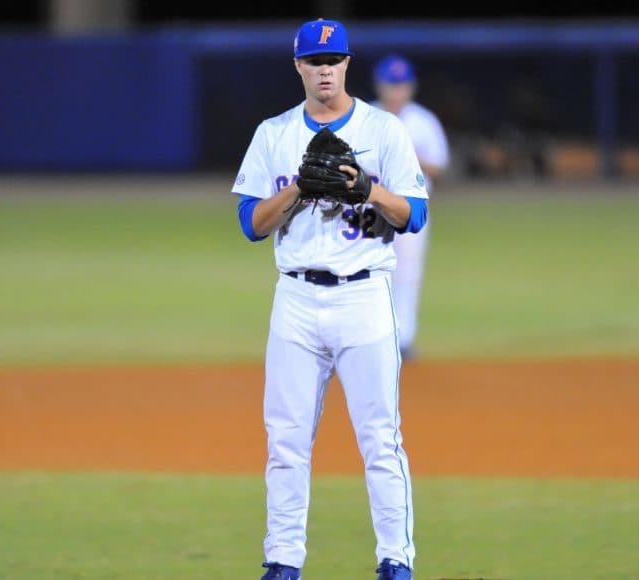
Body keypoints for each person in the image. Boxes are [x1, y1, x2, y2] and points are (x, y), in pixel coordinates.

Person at [232, 18, 428, 580]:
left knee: (380, 440)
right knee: (286, 441)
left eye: (334, 61)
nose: (325, 71)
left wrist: (366, 188)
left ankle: (396, 562)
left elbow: (414, 214)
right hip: (294, 302)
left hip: (364, 298)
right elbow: (250, 223)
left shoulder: (384, 130)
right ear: (298, 66)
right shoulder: (273, 134)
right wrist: (299, 187)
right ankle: (283, 562)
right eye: (314, 62)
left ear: (347, 65)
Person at [372, 54, 450, 360]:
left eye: (401, 85)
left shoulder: (423, 121)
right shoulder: (366, 117)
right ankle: (373, 339)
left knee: (407, 274)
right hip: (372, 211)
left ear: (411, 87)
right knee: (370, 273)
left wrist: (407, 157)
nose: (396, 91)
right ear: (380, 86)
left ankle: (404, 341)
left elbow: (440, 167)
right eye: (391, 85)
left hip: (412, 209)